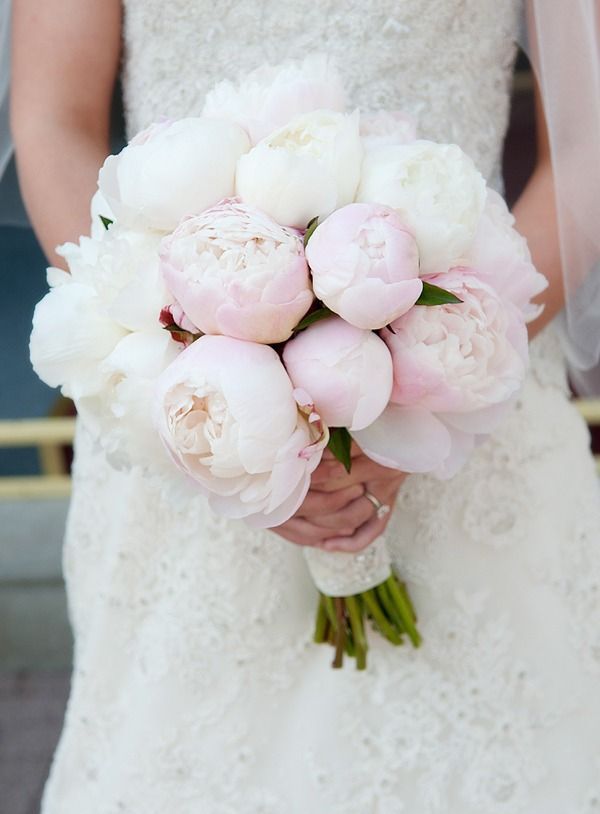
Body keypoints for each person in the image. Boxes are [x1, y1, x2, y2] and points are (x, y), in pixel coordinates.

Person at [10, 1, 600, 811]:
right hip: (189, 417)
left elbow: (589, 136)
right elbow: (53, 118)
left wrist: (435, 377)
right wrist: (180, 355)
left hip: (477, 400)